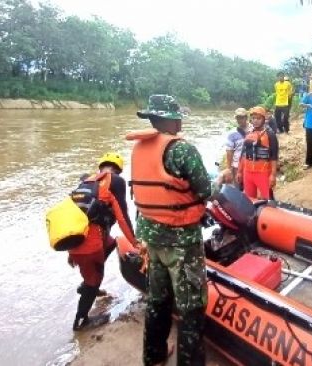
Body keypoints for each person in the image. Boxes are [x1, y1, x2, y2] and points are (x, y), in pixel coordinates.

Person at [131, 95, 211, 366]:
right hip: (182, 242)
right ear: (167, 119)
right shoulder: (181, 150)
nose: (180, 122)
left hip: (152, 240)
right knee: (191, 308)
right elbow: (205, 189)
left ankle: (152, 356)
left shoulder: (139, 148)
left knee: (158, 300)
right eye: (176, 118)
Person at [68, 152, 138, 331]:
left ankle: (86, 285)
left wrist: (70, 252)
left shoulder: (88, 182)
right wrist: (136, 243)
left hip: (74, 241)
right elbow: (122, 217)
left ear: (101, 167)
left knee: (112, 242)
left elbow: (74, 217)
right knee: (95, 279)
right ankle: (81, 321)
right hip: (91, 245)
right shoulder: (115, 182)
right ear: (118, 170)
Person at [237, 106, 279, 200]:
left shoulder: (270, 135)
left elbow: (274, 157)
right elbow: (243, 155)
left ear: (263, 119)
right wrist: (240, 171)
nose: (255, 121)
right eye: (253, 118)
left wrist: (273, 175)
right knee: (249, 199)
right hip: (247, 172)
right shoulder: (248, 133)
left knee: (267, 199)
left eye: (258, 118)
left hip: (263, 173)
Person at [225, 107, 249, 185]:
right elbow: (229, 152)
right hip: (237, 166)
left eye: (241, 117)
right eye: (237, 118)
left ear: (246, 117)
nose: (239, 120)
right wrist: (229, 169)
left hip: (251, 164)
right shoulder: (231, 134)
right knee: (238, 187)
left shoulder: (253, 129)